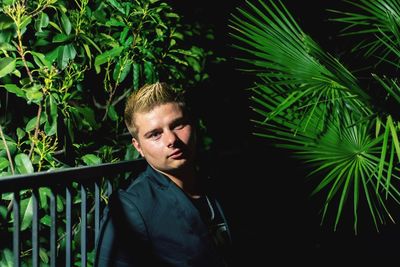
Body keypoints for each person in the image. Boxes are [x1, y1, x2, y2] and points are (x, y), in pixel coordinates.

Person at [94, 82, 232, 267]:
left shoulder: (222, 185)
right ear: (138, 147)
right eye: (155, 134)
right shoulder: (132, 208)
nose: (171, 140)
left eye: (178, 125)